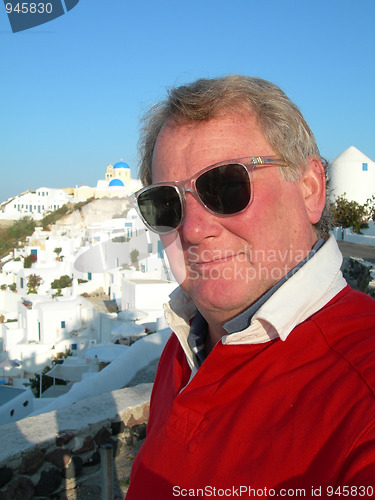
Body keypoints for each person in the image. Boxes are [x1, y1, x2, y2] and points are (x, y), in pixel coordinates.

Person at [126, 75, 375, 499]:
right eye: (168, 203)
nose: (193, 229)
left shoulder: (362, 387)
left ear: (310, 188)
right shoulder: (186, 344)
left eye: (225, 187)